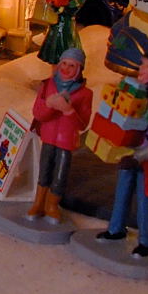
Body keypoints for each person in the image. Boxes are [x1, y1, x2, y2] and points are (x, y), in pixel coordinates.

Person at [97, 44, 148, 257]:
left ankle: (147, 241)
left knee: (144, 198)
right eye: (142, 65)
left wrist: (140, 156)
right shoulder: (132, 92)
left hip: (147, 156)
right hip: (127, 151)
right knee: (121, 192)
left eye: (147, 67)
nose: (141, 70)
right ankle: (115, 229)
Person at [28, 46, 92, 220]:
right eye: (64, 63)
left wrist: (68, 111)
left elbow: (82, 124)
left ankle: (52, 205)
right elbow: (38, 113)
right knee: (44, 170)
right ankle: (38, 202)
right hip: (48, 137)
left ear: (79, 69)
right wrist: (49, 105)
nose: (66, 68)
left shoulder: (85, 94)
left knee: (60, 174)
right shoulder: (47, 85)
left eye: (72, 65)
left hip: (66, 141)